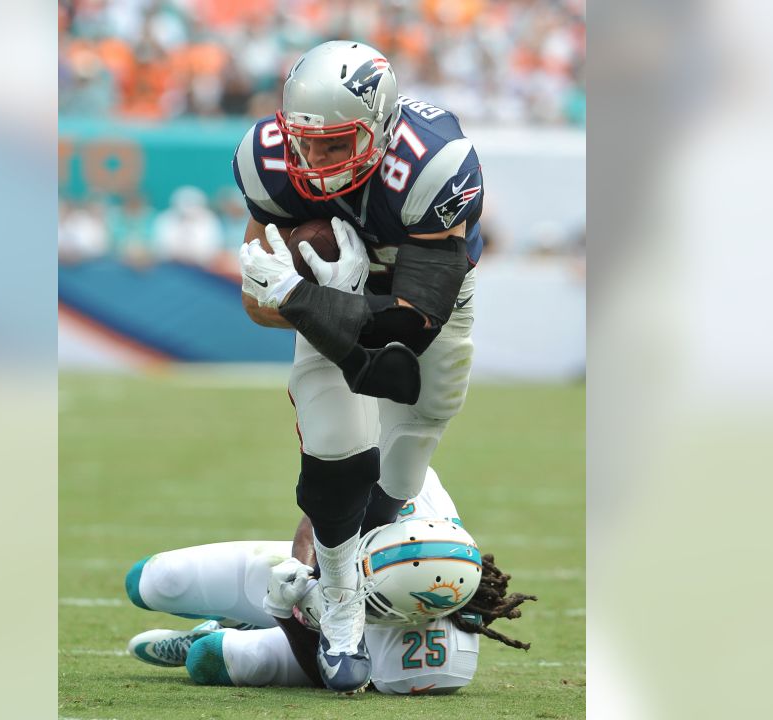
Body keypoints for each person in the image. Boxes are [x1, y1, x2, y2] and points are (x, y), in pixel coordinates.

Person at [232, 40, 485, 691]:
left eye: (334, 144)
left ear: (378, 128)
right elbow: (256, 307)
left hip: (426, 307)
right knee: (337, 452)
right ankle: (339, 608)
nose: (313, 162)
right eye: (304, 142)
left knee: (396, 475)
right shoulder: (265, 162)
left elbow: (399, 352)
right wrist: (300, 297)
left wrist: (305, 295)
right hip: (327, 302)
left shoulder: (434, 164)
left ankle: (311, 595)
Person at [123, 469, 535, 694]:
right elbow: (321, 514)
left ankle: (227, 630)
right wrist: (300, 571)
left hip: (338, 637)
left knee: (209, 658)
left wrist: (283, 612)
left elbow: (330, 674)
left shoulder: (436, 662)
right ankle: (241, 620)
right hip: (318, 575)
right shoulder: (408, 484)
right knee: (155, 580)